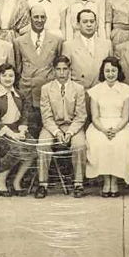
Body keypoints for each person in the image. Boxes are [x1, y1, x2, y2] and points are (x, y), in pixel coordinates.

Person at [86, 58, 129, 197]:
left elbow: (125, 117)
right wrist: (104, 130)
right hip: (100, 126)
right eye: (107, 71)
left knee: (119, 142)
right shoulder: (95, 91)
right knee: (100, 142)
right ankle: (105, 181)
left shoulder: (126, 90)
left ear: (118, 72)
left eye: (113, 70)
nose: (110, 74)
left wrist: (115, 130)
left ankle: (114, 181)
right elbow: (95, 117)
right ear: (103, 72)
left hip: (120, 125)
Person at [38, 56, 89, 198]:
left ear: (69, 70)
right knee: (43, 144)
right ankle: (43, 184)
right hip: (52, 127)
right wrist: (56, 132)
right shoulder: (46, 89)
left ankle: (78, 183)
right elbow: (46, 116)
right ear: (54, 71)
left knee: (79, 145)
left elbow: (81, 116)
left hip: (73, 126)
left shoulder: (78, 89)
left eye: (65, 69)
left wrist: (71, 132)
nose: (62, 73)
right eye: (58, 69)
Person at [0, 64, 38, 197]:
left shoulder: (20, 94)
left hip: (18, 130)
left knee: (33, 148)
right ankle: (0, 180)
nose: (8, 78)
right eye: (4, 75)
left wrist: (21, 131)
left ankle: (16, 181)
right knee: (15, 148)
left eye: (11, 75)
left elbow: (25, 115)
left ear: (15, 77)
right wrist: (12, 135)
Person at [12, 4, 62, 98]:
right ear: (30, 18)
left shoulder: (57, 40)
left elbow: (59, 67)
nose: (39, 20)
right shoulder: (19, 41)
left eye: (42, 17)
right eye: (36, 17)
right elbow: (18, 68)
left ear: (46, 19)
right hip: (27, 90)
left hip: (49, 90)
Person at [63, 8, 113, 88]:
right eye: (85, 22)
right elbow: (65, 75)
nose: (89, 25)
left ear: (96, 24)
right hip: (79, 93)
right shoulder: (68, 46)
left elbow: (112, 72)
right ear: (78, 25)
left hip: (101, 93)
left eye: (92, 21)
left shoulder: (107, 44)